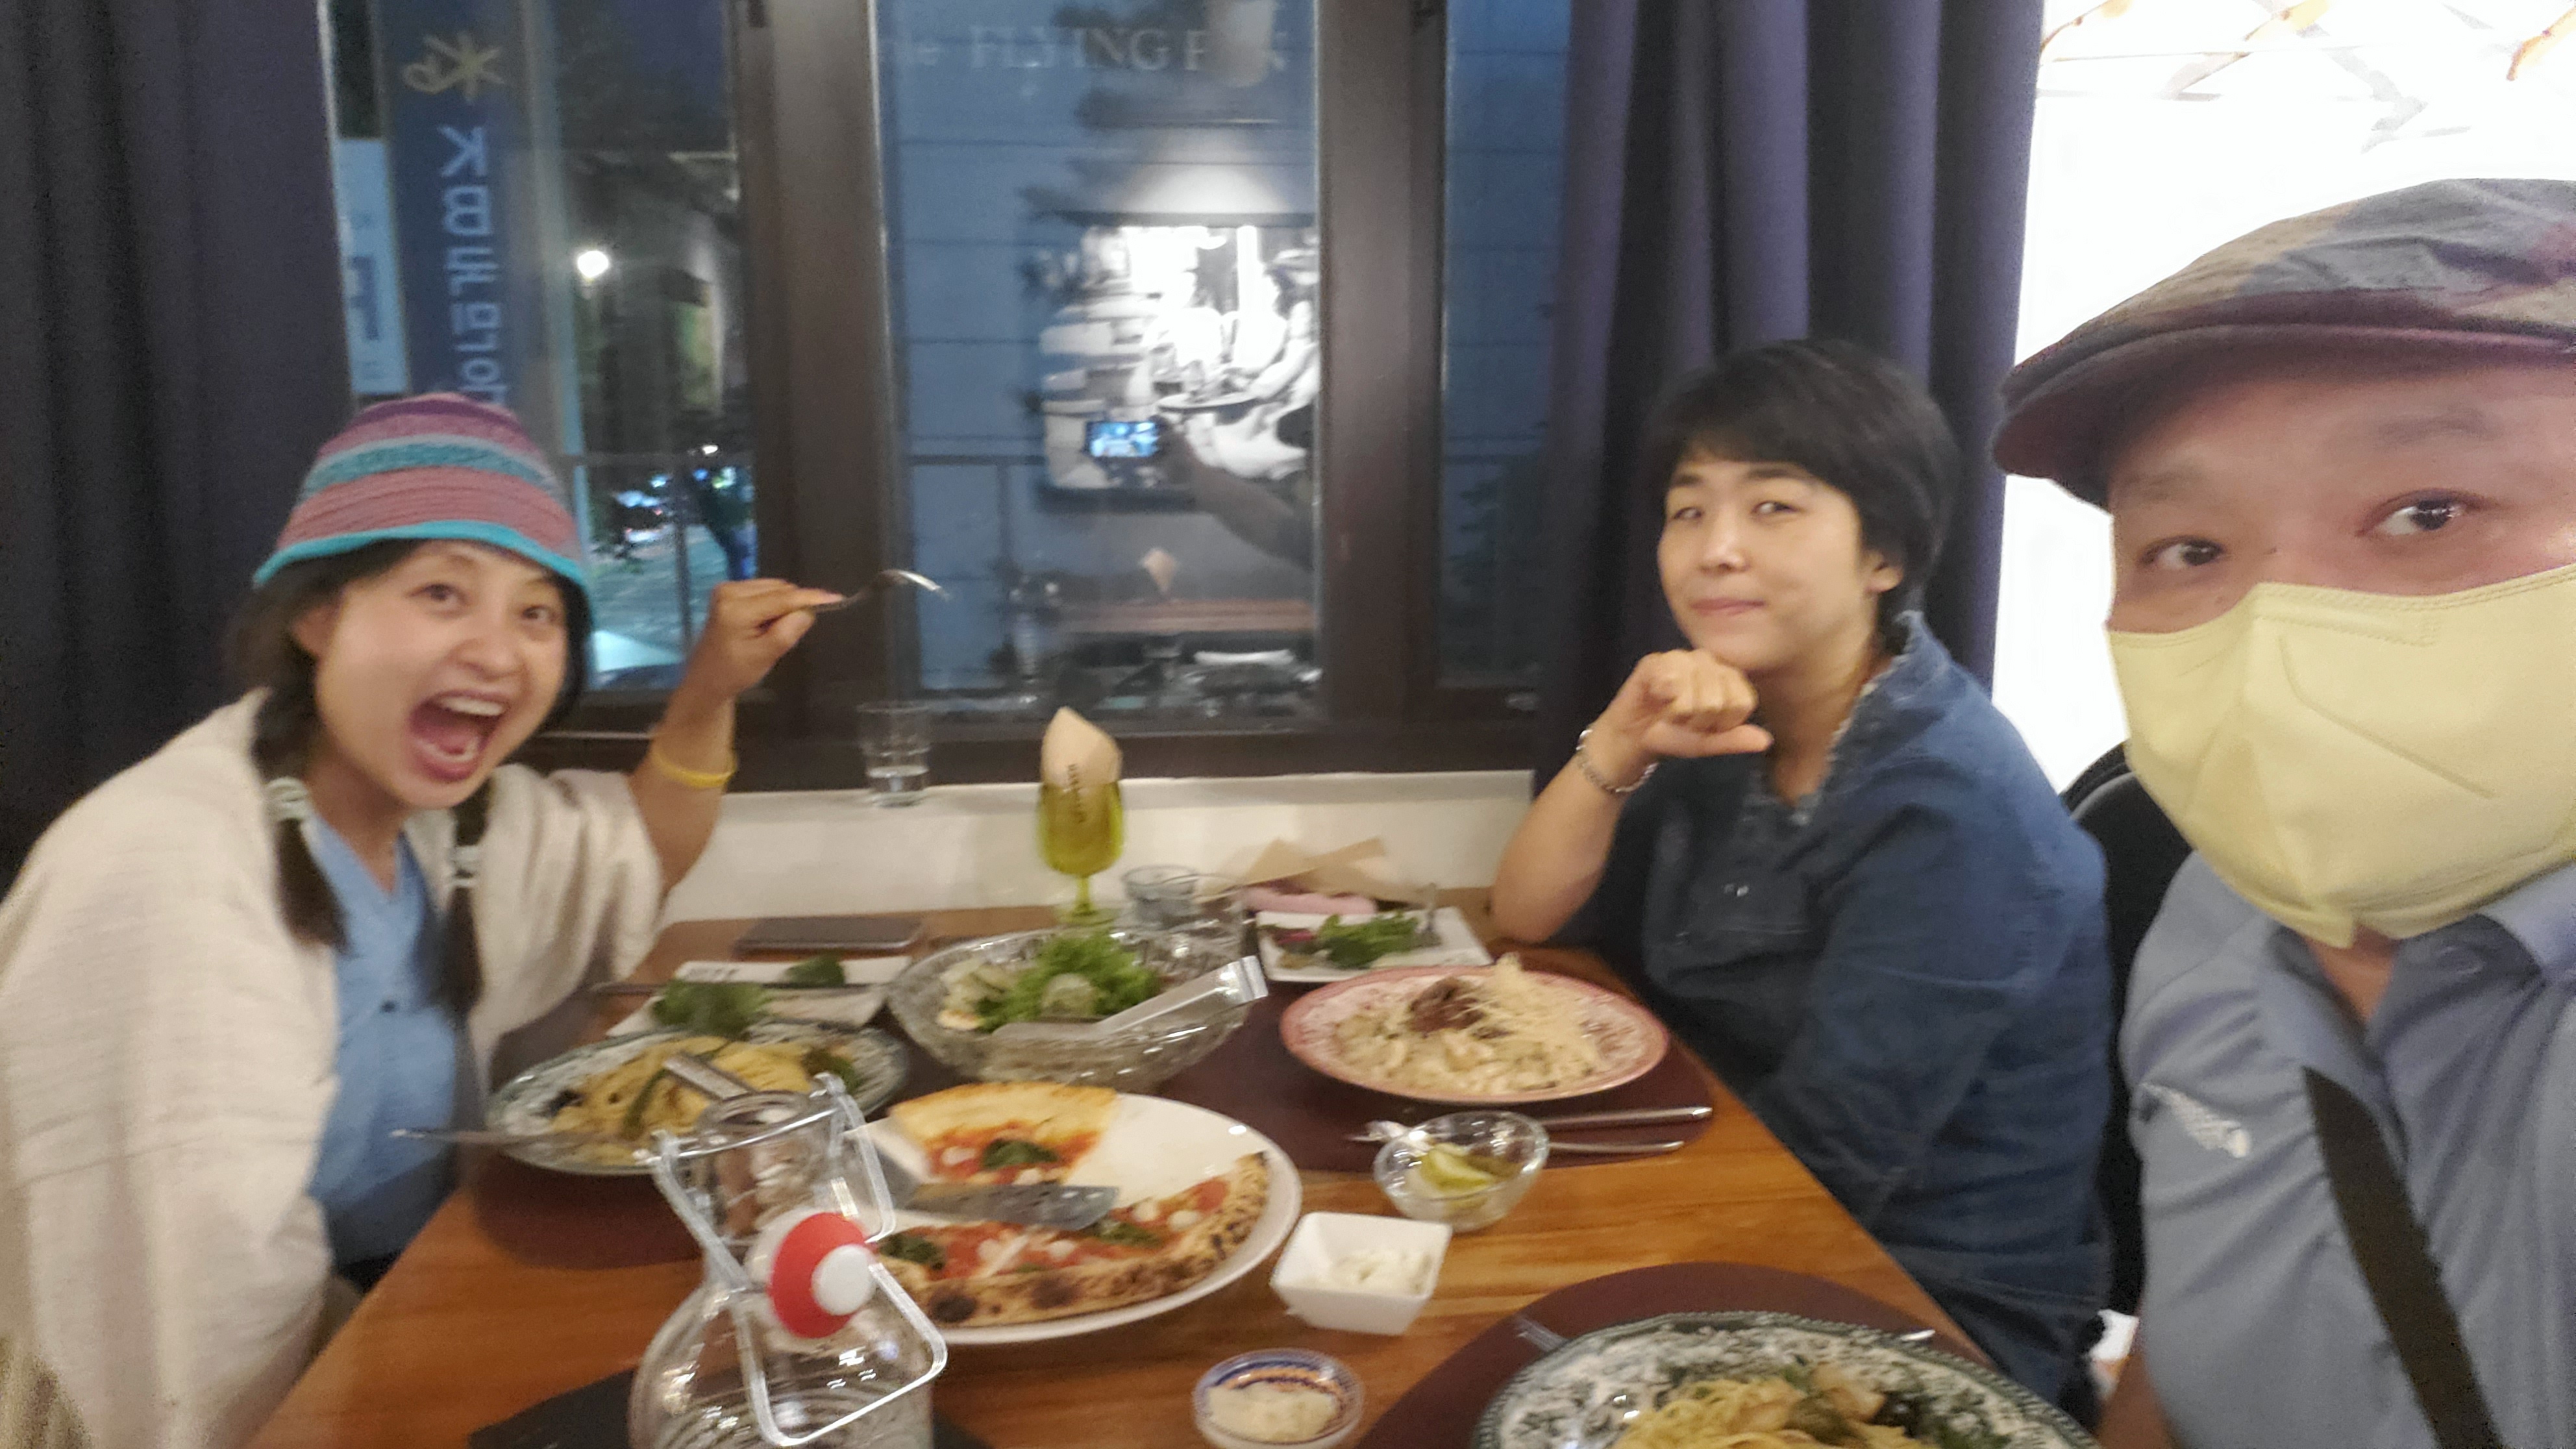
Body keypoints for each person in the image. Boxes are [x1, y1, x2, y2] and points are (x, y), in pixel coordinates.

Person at [0, 394, 841, 1448]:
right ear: (318, 617)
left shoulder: (439, 830)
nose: (498, 652)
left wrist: (708, 693)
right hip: (279, 1391)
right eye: (443, 593)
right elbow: (189, 1335)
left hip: (406, 1295)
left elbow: (632, 851)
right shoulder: (162, 868)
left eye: (538, 614)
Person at [1993, 177, 2576, 1449]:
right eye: (2190, 550)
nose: (2275, 624)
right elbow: (2211, 1303)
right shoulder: (2208, 910)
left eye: (2427, 512)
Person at [1492, 340, 2113, 1407]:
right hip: (1735, 1181)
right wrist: (1619, 742)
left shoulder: (1956, 811)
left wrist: (1571, 1240)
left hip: (1924, 1294)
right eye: (1689, 510)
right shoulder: (1728, 710)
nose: (1716, 550)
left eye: (1773, 507)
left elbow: (1833, 1156)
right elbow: (1527, 914)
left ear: (1885, 556)